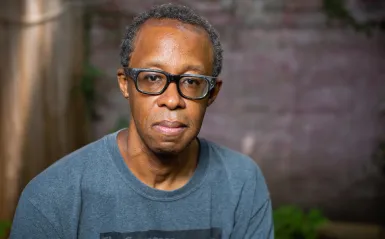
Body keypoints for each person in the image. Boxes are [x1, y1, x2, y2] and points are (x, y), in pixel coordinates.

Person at [10, 3, 274, 239]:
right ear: (126, 84)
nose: (172, 100)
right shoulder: (52, 196)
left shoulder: (241, 183)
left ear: (212, 93)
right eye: (152, 77)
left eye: (191, 82)